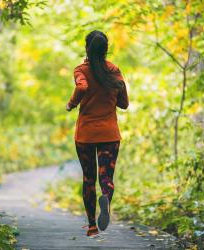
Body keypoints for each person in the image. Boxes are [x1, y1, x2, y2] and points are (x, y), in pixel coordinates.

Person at [66, 30, 129, 237]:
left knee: (88, 178)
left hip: (85, 135)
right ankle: (107, 198)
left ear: (87, 48)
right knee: (106, 178)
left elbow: (82, 86)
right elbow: (124, 104)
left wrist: (72, 103)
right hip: (109, 135)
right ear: (106, 50)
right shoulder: (114, 70)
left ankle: (92, 226)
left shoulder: (80, 70)